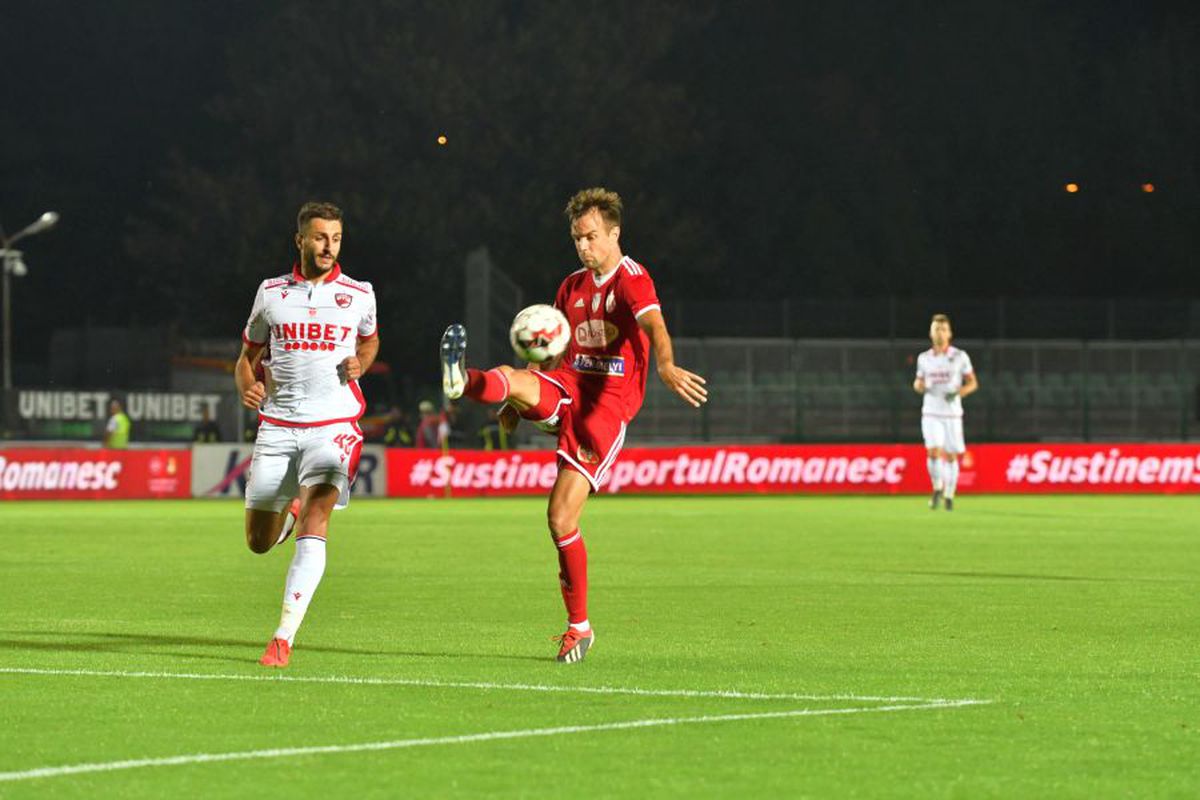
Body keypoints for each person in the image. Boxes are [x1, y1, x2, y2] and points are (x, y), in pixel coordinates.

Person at [440, 187, 707, 663]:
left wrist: (665, 364)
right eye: (576, 238)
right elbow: (556, 355)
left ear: (614, 233)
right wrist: (520, 400)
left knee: (560, 518)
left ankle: (579, 627)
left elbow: (656, 328)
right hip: (567, 386)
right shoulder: (571, 287)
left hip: (605, 409)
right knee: (511, 375)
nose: (583, 246)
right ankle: (464, 383)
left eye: (591, 237)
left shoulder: (632, 280)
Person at [235, 201, 379, 667]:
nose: (328, 247)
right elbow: (246, 356)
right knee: (258, 541)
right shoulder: (271, 293)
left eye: (336, 238)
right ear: (300, 240)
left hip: (334, 424)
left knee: (319, 516)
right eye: (320, 237)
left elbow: (370, 340)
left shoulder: (359, 294)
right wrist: (247, 386)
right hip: (277, 425)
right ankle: (287, 511)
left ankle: (283, 637)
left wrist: (363, 362)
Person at [912, 313, 978, 511]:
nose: (939, 332)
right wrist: (919, 386)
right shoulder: (924, 358)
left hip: (952, 414)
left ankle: (949, 494)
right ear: (931, 333)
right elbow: (918, 382)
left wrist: (960, 392)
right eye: (936, 329)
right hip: (931, 412)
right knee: (932, 451)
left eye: (943, 329)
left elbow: (973, 383)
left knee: (950, 456)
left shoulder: (959, 356)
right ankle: (937, 487)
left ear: (949, 333)